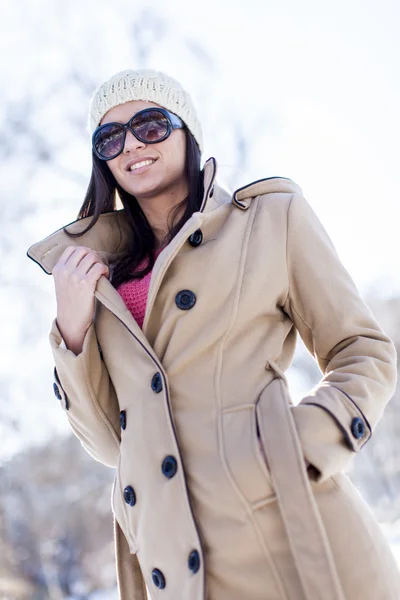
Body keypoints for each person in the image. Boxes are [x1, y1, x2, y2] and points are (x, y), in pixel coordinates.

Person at [27, 68, 400, 600]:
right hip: (176, 569)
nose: (132, 143)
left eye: (151, 125)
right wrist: (72, 329)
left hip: (295, 532)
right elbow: (112, 444)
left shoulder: (270, 219)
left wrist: (303, 447)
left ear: (187, 133)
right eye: (110, 138)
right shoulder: (96, 279)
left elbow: (363, 350)